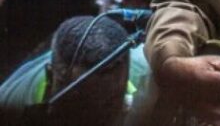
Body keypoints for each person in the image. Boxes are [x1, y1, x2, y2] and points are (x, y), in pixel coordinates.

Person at [0, 15, 130, 126]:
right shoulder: (11, 111)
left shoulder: (134, 67)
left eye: (110, 103)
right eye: (84, 106)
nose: (100, 119)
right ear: (50, 77)